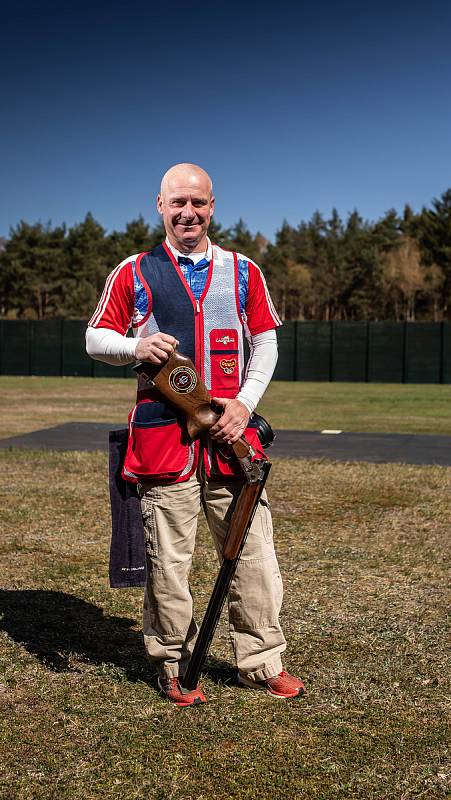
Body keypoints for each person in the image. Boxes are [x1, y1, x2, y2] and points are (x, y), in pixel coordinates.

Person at [86, 163, 305, 706]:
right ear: (159, 206)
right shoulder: (134, 271)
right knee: (169, 564)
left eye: (198, 203)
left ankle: (261, 663)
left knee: (254, 556)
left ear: (213, 207)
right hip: (165, 443)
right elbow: (95, 338)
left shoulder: (245, 271)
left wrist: (244, 403)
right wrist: (134, 348)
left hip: (233, 439)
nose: (188, 213)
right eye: (177, 203)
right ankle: (171, 665)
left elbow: (267, 343)